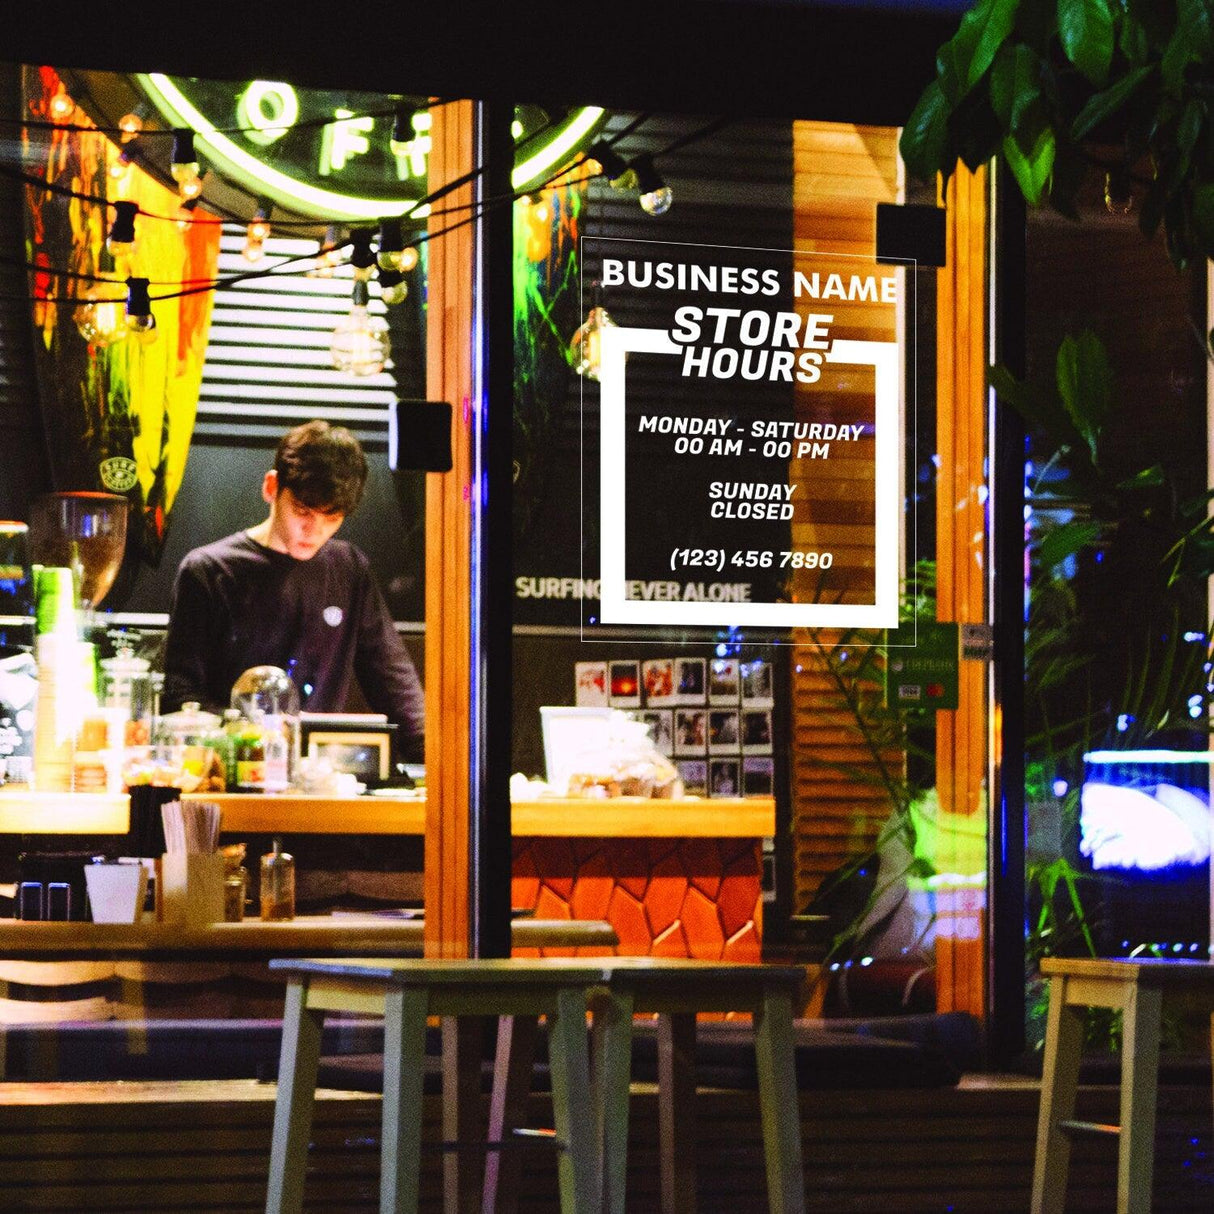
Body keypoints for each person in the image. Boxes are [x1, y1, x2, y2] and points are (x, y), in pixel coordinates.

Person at [163, 420, 424, 762]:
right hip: (230, 769)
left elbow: (395, 684)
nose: (313, 531)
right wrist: (251, 738)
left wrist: (436, 762)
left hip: (319, 775)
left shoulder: (349, 569)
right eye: (302, 511)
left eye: (331, 518)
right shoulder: (209, 571)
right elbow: (180, 696)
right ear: (272, 487)